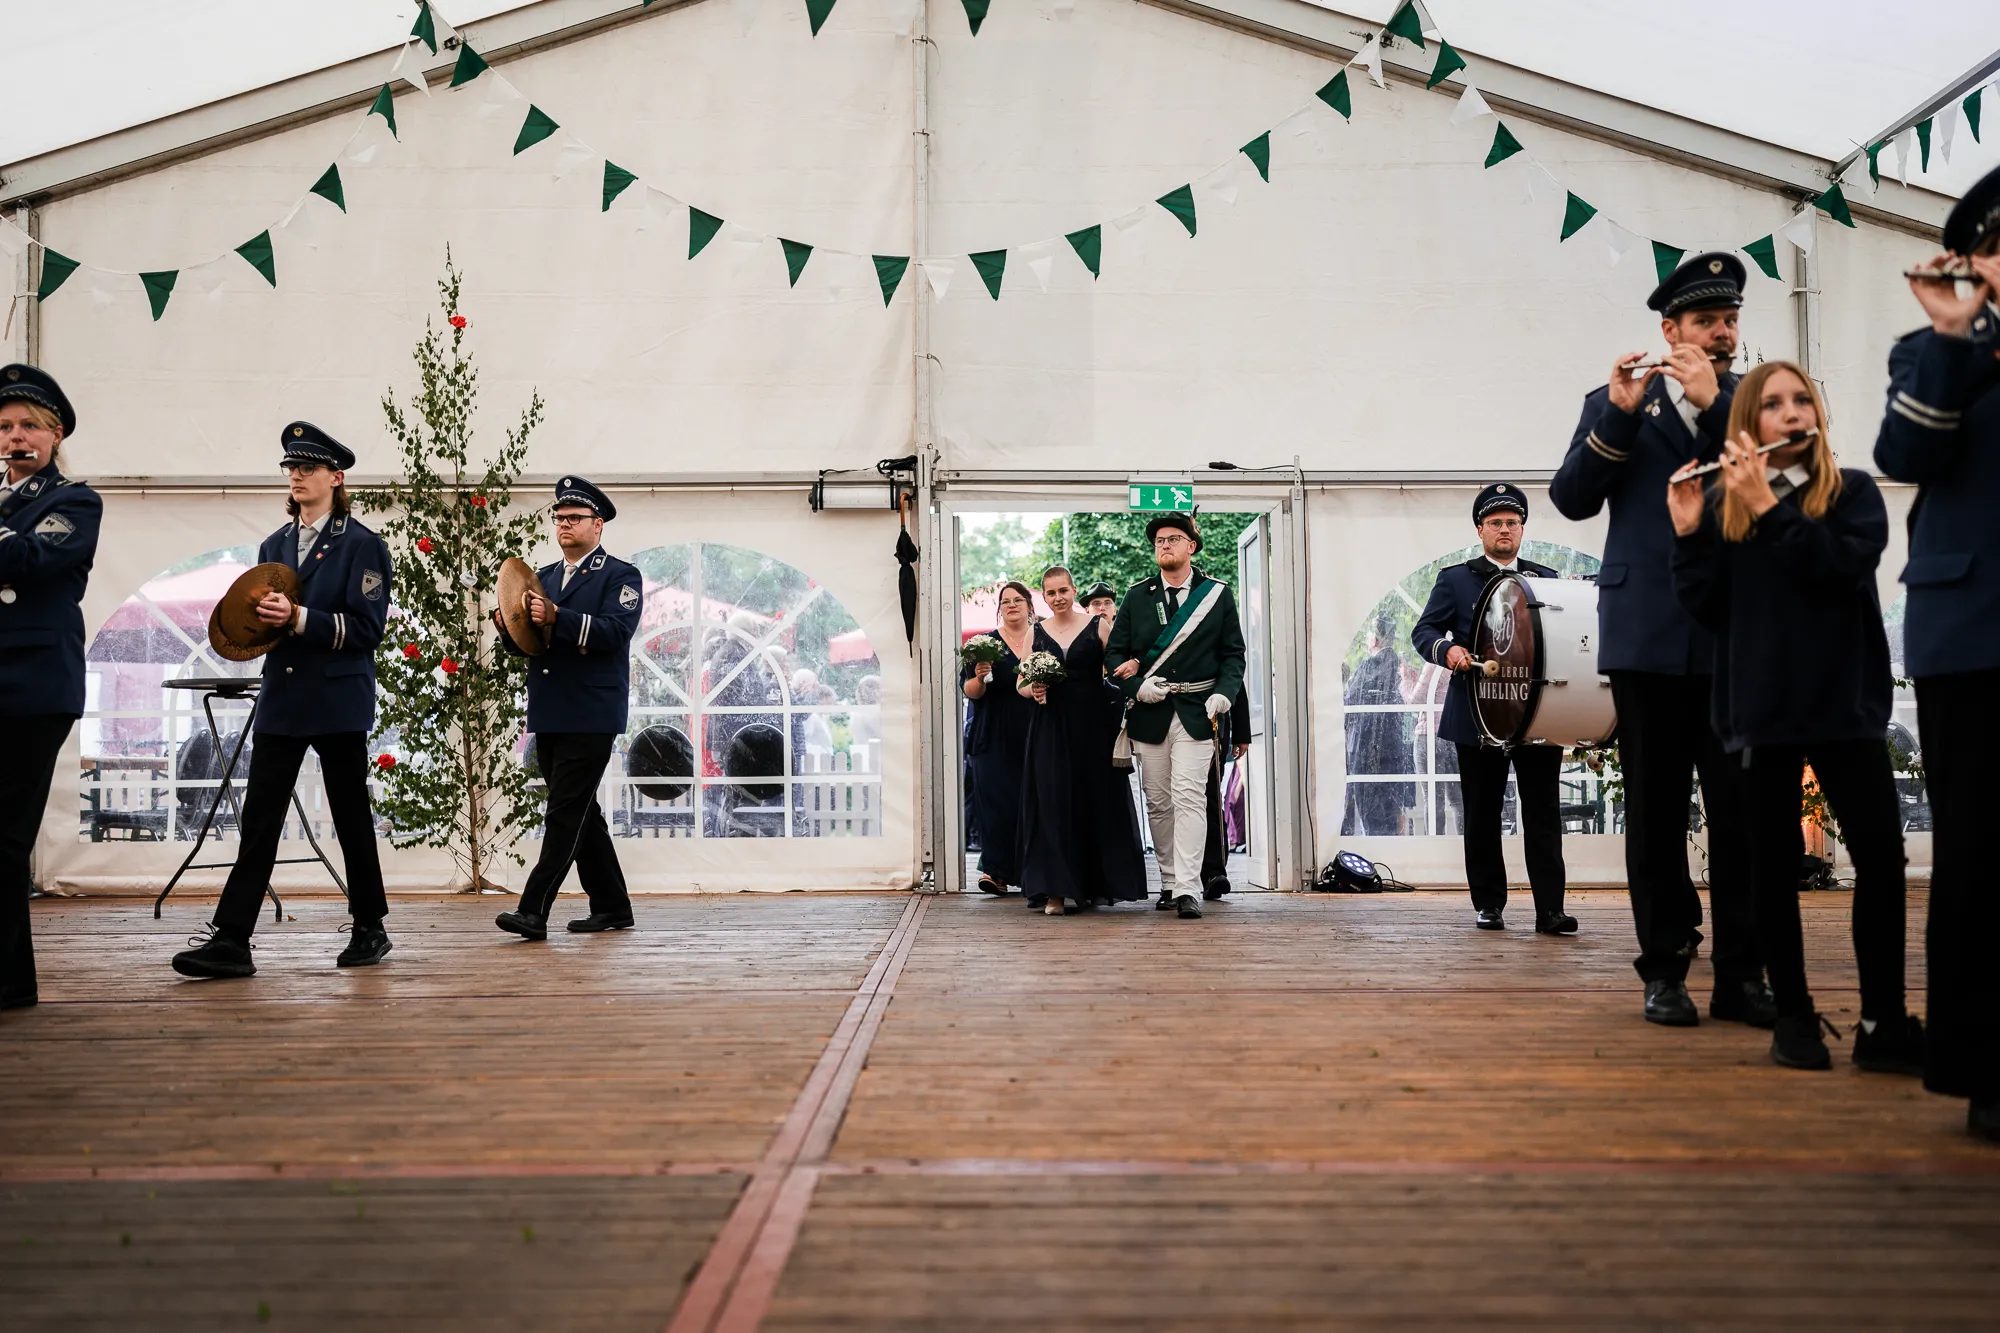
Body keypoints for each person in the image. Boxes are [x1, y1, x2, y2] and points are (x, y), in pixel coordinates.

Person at [1669, 361, 1922, 1073]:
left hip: (1845, 707)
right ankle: (1794, 1016)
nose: (1791, 412)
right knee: (1770, 868)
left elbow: (1838, 570)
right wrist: (1688, 535)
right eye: (1773, 403)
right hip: (1762, 709)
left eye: (1801, 400)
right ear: (1749, 423)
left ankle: (1881, 1021)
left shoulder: (1853, 493)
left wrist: (1768, 507)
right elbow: (1710, 608)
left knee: (1881, 857)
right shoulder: (1724, 504)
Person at [1550, 251, 1773, 1030]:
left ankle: (1741, 974)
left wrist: (1716, 408)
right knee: (1654, 812)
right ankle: (1665, 968)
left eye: (1730, 319)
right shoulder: (1617, 400)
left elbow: (1781, 484)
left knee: (1741, 814)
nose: (1722, 333)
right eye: (1706, 320)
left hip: (1734, 633)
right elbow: (1573, 498)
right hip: (1645, 634)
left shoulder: (1756, 402)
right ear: (1670, 330)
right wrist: (1616, 416)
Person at [1873, 165, 2000, 1140]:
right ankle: (1983, 1065)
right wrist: (1956, 335)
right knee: (1978, 855)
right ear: (1970, 261)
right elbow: (1905, 457)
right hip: (1972, 634)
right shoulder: (1928, 349)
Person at [172, 423, 393, 978]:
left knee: (350, 818)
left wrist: (297, 617)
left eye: (307, 467)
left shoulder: (363, 545)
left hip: (337, 698)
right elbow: (261, 625)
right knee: (260, 820)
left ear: (335, 478)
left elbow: (367, 630)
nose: (296, 475)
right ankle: (232, 939)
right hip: (283, 697)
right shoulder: (273, 545)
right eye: (291, 467)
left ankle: (370, 927)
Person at [1412, 485, 1575, 934]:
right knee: (1483, 815)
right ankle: (1489, 904)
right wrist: (1447, 650)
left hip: (1537, 712)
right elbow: (1424, 631)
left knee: (1543, 813)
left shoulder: (1545, 578)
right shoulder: (1455, 579)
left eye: (1512, 523)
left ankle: (1550, 911)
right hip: (1477, 714)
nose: (1505, 529)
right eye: (1496, 523)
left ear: (1522, 529)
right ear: (1480, 529)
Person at [494, 478, 643, 940]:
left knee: (564, 812)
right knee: (581, 812)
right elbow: (531, 644)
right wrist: (508, 626)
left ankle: (533, 910)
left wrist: (559, 616)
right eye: (559, 518)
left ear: (598, 525)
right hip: (551, 707)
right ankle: (613, 906)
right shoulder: (540, 577)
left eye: (575, 518)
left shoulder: (620, 576)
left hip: (592, 710)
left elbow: (615, 633)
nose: (564, 524)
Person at [0, 367, 101, 1010]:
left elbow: (28, 559)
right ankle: (13, 982)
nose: (15, 437)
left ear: (55, 434)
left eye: (29, 426)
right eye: (5, 427)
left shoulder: (74, 502)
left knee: (8, 834)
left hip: (35, 684)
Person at [1105, 516, 1247, 919]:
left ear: (1191, 546)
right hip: (1150, 713)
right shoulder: (1137, 596)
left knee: (1189, 795)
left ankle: (1188, 887)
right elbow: (1114, 654)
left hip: (1198, 711)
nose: (1164, 545)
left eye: (1173, 539)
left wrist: (1224, 693)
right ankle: (1168, 880)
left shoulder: (1216, 595)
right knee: (1158, 801)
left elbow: (1233, 654)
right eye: (1159, 541)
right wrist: (1137, 688)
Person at [1017, 566, 1147, 914]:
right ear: (1044, 596)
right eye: (1051, 593)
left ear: (1074, 591)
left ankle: (1091, 883)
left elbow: (1118, 666)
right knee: (1052, 801)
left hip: (1093, 725)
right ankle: (1055, 892)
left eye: (1063, 590)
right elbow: (1020, 683)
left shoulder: (1097, 626)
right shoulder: (1036, 632)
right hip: (1049, 726)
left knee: (1093, 798)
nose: (1058, 598)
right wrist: (1033, 688)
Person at [962, 581, 1037, 895]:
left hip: (1035, 728)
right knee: (995, 802)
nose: (1012, 605)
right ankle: (995, 872)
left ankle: (1035, 872)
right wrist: (980, 677)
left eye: (1018, 600)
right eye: (1006, 601)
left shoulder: (1043, 639)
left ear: (1029, 606)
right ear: (1000, 609)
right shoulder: (984, 644)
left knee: (1033, 801)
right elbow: (970, 691)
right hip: (993, 731)